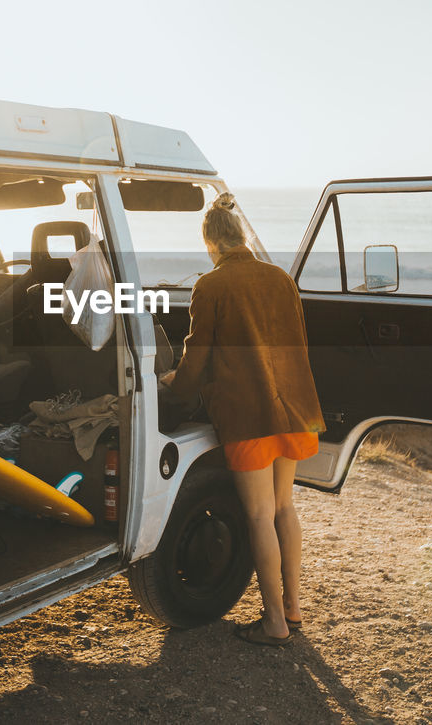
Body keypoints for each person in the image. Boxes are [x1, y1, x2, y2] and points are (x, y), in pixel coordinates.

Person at [159, 192, 324, 646]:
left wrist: (172, 396)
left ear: (211, 244)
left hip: (249, 416)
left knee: (257, 514)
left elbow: (196, 358)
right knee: (284, 507)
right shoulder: (280, 279)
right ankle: (292, 608)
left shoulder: (211, 286)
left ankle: (273, 625)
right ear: (242, 236)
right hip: (291, 408)